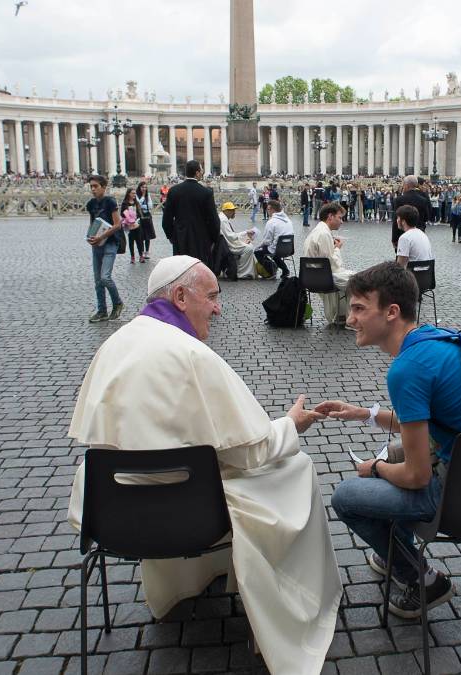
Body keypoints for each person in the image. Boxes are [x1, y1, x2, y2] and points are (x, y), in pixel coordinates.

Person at [66, 256, 341, 675]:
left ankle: (192, 579)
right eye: (212, 297)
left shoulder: (113, 345)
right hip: (195, 517)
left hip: (114, 517)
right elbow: (250, 451)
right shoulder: (190, 353)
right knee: (296, 468)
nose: (218, 307)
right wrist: (291, 424)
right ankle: (295, 598)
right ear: (180, 296)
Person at [317, 262, 461, 618]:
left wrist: (377, 468)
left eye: (358, 308)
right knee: (398, 452)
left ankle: (422, 578)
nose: (350, 319)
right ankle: (393, 552)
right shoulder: (443, 342)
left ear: (392, 312)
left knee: (347, 497)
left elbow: (417, 478)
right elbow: (426, 424)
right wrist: (364, 413)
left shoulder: (407, 368)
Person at [161, 160, 220, 269]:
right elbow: (213, 220)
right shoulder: (206, 192)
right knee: (199, 269)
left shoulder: (174, 191)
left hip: (180, 237)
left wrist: (171, 235)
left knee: (181, 270)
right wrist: (213, 239)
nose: (202, 173)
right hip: (202, 238)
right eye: (201, 170)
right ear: (197, 173)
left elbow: (166, 219)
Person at [303, 203, 354, 327]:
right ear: (330, 216)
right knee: (357, 280)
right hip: (322, 278)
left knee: (353, 276)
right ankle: (352, 320)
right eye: (339, 217)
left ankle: (341, 314)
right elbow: (331, 264)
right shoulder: (324, 234)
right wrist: (337, 248)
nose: (341, 222)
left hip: (311, 275)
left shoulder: (318, 231)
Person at [84, 175, 125, 323]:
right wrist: (90, 236)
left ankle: (118, 302)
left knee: (105, 277)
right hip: (97, 245)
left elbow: (117, 224)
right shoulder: (91, 204)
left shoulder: (110, 202)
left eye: (96, 186)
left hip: (110, 243)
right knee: (98, 281)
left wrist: (102, 237)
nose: (93, 189)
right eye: (91, 187)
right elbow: (93, 223)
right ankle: (102, 311)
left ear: (103, 187)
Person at [254, 199, 294, 279]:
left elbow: (267, 241)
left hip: (277, 249)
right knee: (275, 250)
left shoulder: (271, 222)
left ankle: (271, 269)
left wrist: (259, 246)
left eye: (268, 209)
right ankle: (285, 270)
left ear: (272, 210)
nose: (267, 211)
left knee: (257, 251)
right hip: (289, 248)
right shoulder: (288, 220)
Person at [391, 176, 432, 251]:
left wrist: (394, 239)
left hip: (402, 234)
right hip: (419, 234)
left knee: (402, 259)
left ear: (406, 185)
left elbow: (395, 221)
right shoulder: (423, 200)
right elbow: (426, 217)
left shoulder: (398, 200)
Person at [218, 202, 256, 280]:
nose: (234, 212)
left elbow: (230, 235)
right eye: (232, 210)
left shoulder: (223, 218)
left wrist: (242, 241)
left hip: (227, 243)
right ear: (226, 211)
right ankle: (241, 273)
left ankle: (244, 271)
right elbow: (231, 236)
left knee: (249, 246)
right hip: (228, 246)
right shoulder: (223, 220)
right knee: (249, 249)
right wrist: (246, 232)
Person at [133, 181, 156, 263]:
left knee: (148, 235)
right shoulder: (136, 195)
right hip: (140, 217)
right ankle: (141, 252)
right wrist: (142, 197)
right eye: (143, 187)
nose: (144, 189)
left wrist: (143, 203)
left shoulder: (148, 195)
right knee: (141, 235)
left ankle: (147, 251)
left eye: (145, 187)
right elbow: (138, 204)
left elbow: (150, 205)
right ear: (139, 188)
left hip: (147, 216)